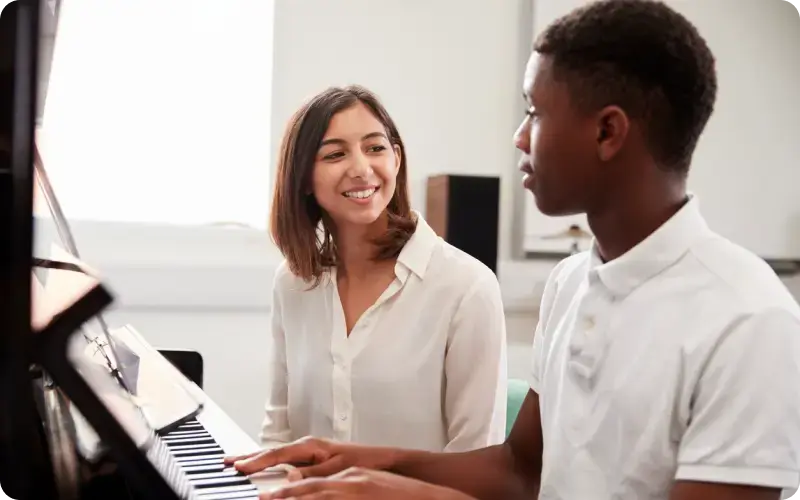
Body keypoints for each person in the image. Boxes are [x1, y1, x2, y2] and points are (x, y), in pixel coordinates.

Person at [226, 1, 800, 499]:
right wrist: (359, 462)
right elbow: (520, 472)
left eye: (535, 112)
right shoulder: (572, 285)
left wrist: (397, 491)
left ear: (607, 132)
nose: (519, 137)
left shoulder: (750, 320)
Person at [257, 84, 508, 454]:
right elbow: (279, 434)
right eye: (335, 154)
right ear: (303, 178)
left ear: (397, 159)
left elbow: (476, 462)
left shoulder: (466, 287)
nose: (361, 168)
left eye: (375, 148)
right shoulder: (293, 282)